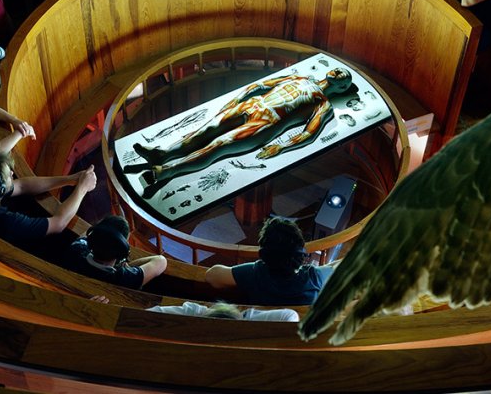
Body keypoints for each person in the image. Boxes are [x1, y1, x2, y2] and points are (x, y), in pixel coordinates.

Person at [126, 68, 355, 199]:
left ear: (343, 87)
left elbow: (309, 133)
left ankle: (166, 171)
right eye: (340, 69)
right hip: (254, 104)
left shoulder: (323, 104)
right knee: (203, 130)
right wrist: (237, 99)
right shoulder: (300, 78)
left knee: (218, 145)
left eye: (343, 75)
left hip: (268, 122)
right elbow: (262, 85)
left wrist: (281, 146)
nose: (338, 72)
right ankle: (162, 154)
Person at [0, 152, 98, 247]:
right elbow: (58, 223)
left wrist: (69, 179)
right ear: (1, 190)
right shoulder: (5, 220)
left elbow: (22, 185)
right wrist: (82, 188)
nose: (12, 173)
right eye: (9, 175)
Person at [205, 217, 334, 306]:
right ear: (300, 253)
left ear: (264, 255)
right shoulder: (314, 277)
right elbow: (340, 267)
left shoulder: (254, 273)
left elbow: (211, 276)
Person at [64, 215, 167, 289]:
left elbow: (87, 235)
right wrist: (128, 265)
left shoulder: (77, 249)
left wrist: (104, 229)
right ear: (124, 251)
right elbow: (161, 261)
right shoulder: (125, 278)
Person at [147, 301, 300, 322]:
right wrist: (250, 317)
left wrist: (198, 312)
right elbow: (290, 315)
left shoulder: (195, 312)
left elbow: (148, 314)